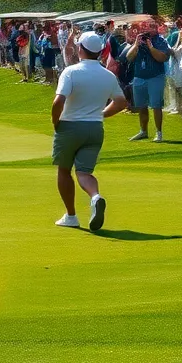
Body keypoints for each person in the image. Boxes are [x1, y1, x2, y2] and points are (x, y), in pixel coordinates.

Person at [50, 32, 130, 230]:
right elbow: (121, 103)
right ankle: (95, 197)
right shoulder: (108, 75)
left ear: (81, 49)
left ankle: (71, 216)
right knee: (84, 172)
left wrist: (56, 122)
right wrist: (101, 114)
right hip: (94, 128)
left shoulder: (71, 72)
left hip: (70, 125)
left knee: (64, 170)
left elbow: (58, 101)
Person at [126, 23, 170, 142]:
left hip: (155, 76)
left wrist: (151, 47)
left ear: (155, 28)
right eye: (145, 27)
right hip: (139, 77)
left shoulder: (160, 41)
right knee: (141, 106)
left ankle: (159, 133)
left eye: (150, 27)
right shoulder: (139, 41)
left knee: (156, 105)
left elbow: (162, 58)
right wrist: (136, 44)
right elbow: (129, 57)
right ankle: (143, 131)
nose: (147, 29)